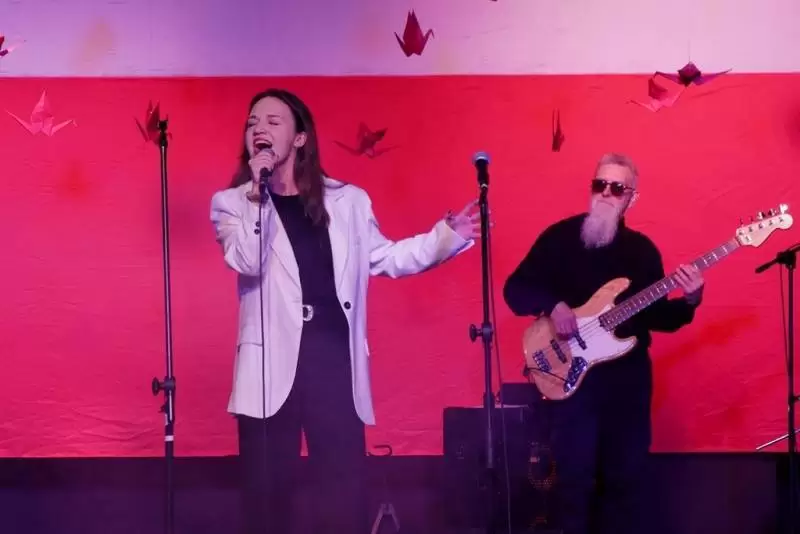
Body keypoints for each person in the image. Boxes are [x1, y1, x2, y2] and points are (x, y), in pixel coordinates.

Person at [209, 88, 479, 534]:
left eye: (273, 121)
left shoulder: (348, 201)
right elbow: (247, 260)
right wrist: (258, 195)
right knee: (266, 499)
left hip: (333, 358)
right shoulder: (233, 203)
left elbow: (386, 257)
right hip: (268, 364)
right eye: (252, 122)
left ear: (300, 138)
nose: (259, 129)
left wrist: (446, 237)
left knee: (342, 494)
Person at [503, 153, 705, 534]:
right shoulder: (559, 238)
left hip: (627, 386)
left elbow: (659, 317)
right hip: (573, 384)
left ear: (632, 198)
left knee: (625, 482)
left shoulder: (642, 252)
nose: (606, 193)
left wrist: (691, 301)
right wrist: (553, 305)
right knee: (572, 483)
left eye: (617, 187)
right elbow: (515, 288)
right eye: (600, 184)